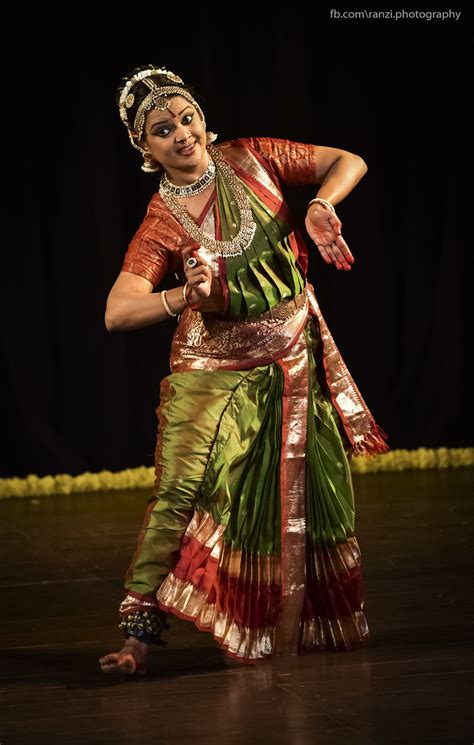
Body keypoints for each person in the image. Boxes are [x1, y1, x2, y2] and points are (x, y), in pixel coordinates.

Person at [99, 65, 389, 675]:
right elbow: (118, 311)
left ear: (201, 116)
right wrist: (181, 298)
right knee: (180, 492)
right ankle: (139, 638)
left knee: (308, 491)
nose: (181, 134)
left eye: (185, 117)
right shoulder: (163, 222)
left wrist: (319, 206)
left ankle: (295, 625)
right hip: (211, 367)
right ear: (144, 149)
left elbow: (349, 160)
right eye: (161, 130)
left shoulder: (252, 159)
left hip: (288, 350)